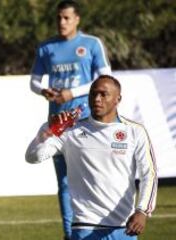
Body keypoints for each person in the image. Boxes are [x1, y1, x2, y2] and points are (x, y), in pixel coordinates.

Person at [26, 75, 158, 240]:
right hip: (84, 227)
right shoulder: (71, 131)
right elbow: (32, 157)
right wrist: (47, 131)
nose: (97, 99)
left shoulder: (135, 131)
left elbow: (149, 174)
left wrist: (142, 211)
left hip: (123, 228)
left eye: (104, 94)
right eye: (93, 94)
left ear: (118, 99)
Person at [30, 1, 111, 238]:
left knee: (92, 176)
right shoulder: (47, 48)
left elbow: (106, 77)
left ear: (77, 19)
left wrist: (73, 93)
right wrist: (44, 90)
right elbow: (34, 81)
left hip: (87, 122)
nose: (62, 22)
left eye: (66, 18)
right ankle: (70, 234)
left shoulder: (91, 44)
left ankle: (98, 228)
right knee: (64, 183)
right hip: (58, 125)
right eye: (58, 18)